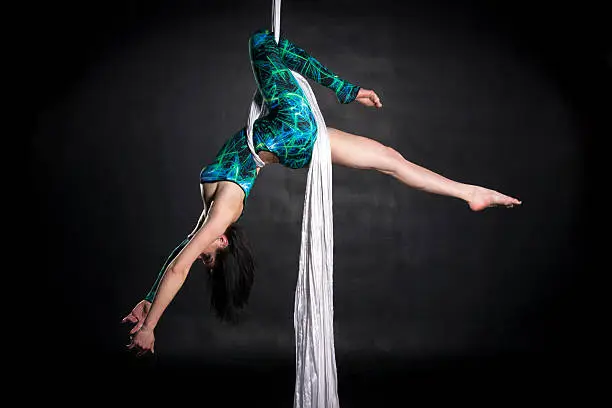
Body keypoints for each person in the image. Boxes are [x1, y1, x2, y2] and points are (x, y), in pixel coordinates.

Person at [123, 28, 521, 356]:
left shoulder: (212, 216)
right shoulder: (224, 211)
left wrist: (149, 304)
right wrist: (152, 328)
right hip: (290, 127)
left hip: (292, 142)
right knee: (263, 42)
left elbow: (179, 259)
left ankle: (472, 192)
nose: (201, 254)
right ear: (223, 239)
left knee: (388, 158)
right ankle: (348, 90)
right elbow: (183, 262)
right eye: (210, 259)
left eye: (204, 257)